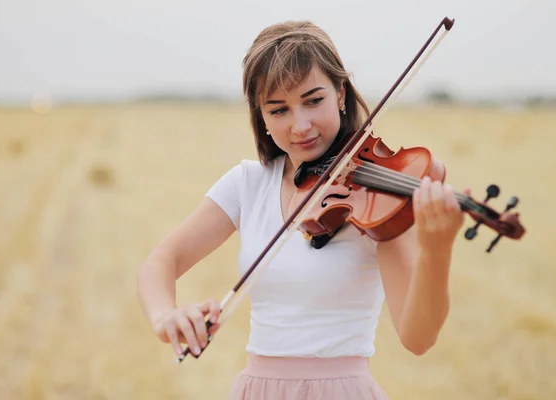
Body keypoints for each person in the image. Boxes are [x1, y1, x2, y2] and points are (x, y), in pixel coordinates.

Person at [137, 20, 470, 400]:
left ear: (341, 94)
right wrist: (166, 317)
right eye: (278, 110)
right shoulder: (247, 183)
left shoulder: (376, 199)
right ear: (260, 117)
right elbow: (161, 260)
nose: (300, 126)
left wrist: (437, 251)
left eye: (313, 101)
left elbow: (418, 337)